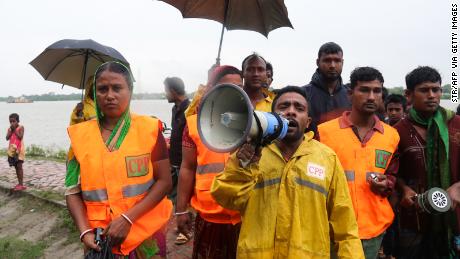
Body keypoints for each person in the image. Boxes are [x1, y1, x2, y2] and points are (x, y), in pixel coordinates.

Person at [211, 86, 364, 258]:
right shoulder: (251, 153)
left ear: (307, 122)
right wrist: (242, 167)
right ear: (272, 115)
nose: (291, 112)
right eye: (284, 107)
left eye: (299, 108)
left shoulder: (327, 158)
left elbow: (346, 225)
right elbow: (225, 198)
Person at [65, 61, 172, 258]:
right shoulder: (79, 137)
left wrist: (127, 219)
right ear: (95, 94)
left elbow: (165, 181)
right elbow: (71, 190)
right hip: (100, 239)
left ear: (130, 91)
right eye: (102, 89)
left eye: (117, 88)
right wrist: (84, 231)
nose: (110, 95)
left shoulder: (149, 129)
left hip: (145, 234)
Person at [318, 67, 400, 259]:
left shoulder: (391, 135)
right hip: (330, 229)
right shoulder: (324, 132)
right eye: (364, 90)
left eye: (376, 91)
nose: (371, 97)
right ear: (350, 94)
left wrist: (386, 183)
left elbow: (393, 176)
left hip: (372, 230)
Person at [176, 65, 244, 258]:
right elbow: (187, 168)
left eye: (240, 87)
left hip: (246, 214)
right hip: (209, 216)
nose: (234, 92)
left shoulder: (254, 122)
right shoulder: (194, 124)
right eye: (228, 86)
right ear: (212, 88)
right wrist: (180, 210)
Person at [394, 66, 460, 258]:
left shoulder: (456, 124)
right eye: (424, 90)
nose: (431, 95)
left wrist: (457, 187)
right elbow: (391, 172)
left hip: (454, 217)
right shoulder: (397, 131)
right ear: (408, 94)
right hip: (413, 218)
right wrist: (403, 188)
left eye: (436, 89)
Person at [303, 42, 351, 131]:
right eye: (327, 60)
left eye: (337, 61)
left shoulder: (351, 96)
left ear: (342, 62)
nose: (332, 65)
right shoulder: (303, 94)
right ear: (318, 62)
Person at [164, 76, 190, 204]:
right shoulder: (175, 109)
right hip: (173, 162)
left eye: (166, 91)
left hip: (184, 164)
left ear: (173, 91)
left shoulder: (189, 110)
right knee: (172, 196)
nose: (166, 94)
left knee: (183, 199)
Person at [6, 113, 26, 191]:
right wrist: (11, 131)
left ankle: (21, 184)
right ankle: (19, 183)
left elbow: (20, 137)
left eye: (14, 121)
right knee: (16, 166)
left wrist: (14, 130)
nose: (12, 123)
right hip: (12, 150)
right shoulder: (9, 129)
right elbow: (7, 138)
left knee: (19, 166)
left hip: (19, 150)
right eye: (10, 122)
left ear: (18, 121)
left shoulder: (21, 127)